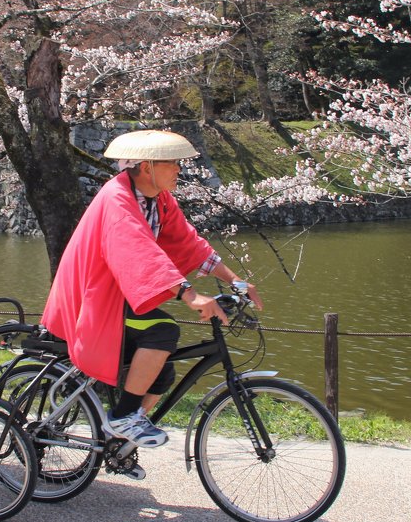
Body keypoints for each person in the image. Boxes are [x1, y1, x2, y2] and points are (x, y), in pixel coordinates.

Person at [41, 130, 261, 477]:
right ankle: (123, 417)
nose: (178, 169)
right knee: (163, 331)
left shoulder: (158, 199)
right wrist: (190, 295)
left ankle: (122, 444)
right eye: (171, 163)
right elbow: (138, 251)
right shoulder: (117, 198)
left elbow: (190, 244)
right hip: (93, 298)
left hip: (119, 296)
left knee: (163, 369)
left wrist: (235, 280)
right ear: (147, 166)